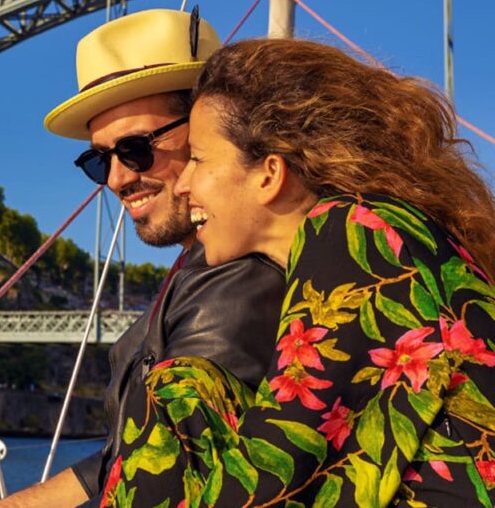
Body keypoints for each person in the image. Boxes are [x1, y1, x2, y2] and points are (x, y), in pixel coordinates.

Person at [102, 38, 495, 506]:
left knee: (175, 394)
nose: (185, 185)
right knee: (186, 390)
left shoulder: (350, 232)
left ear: (269, 173)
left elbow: (278, 474)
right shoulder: (370, 231)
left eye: (201, 161)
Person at [0, 9, 285, 507]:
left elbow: (161, 480)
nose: (118, 179)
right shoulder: (198, 267)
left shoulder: (240, 281)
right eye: (100, 160)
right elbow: (127, 458)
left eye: (137, 149)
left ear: (216, 130)